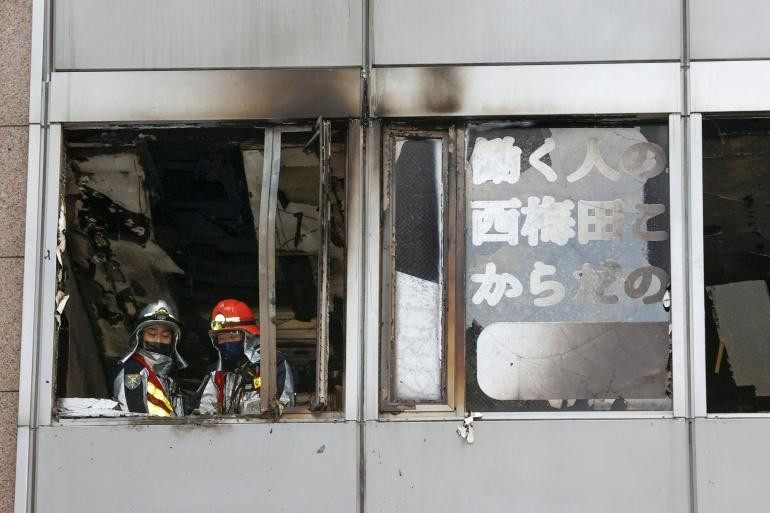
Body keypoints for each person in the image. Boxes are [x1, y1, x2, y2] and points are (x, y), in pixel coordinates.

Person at [196, 298, 294, 415]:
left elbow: (286, 407)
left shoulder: (273, 363)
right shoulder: (216, 372)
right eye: (221, 338)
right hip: (225, 427)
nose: (227, 343)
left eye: (233, 337)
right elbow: (204, 411)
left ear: (248, 337)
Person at [113, 300, 188, 416]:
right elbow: (134, 422)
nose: (158, 340)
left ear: (173, 340)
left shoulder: (169, 375)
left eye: (165, 336)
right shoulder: (133, 372)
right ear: (140, 337)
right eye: (152, 334)